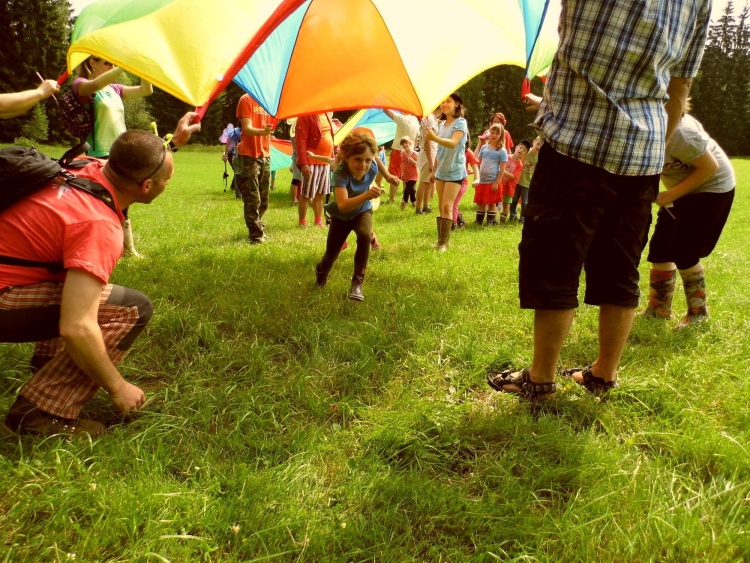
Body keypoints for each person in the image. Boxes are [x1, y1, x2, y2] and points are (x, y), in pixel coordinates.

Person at [487, 0, 712, 399]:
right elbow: (679, 90)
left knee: (555, 264)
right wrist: (652, 150)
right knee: (620, 271)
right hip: (641, 158)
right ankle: (603, 376)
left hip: (573, 145)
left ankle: (541, 379)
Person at [0, 112, 201, 437]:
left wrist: (172, 143)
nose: (168, 184)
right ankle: (41, 412)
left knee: (72, 281)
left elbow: (134, 157)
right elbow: (76, 326)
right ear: (147, 186)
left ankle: (49, 369)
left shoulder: (86, 166)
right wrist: (117, 387)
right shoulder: (99, 226)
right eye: (167, 180)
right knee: (131, 308)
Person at [640, 108, 735, 329]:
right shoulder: (642, 127)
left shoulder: (681, 133)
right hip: (680, 190)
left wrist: (670, 195)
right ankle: (658, 308)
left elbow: (710, 166)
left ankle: (698, 314)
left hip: (712, 187)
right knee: (661, 248)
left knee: (684, 251)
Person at [74, 56, 154, 257]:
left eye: (113, 63)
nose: (112, 66)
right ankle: (99, 245)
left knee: (123, 198)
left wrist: (144, 67)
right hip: (98, 153)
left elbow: (146, 90)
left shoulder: (115, 89)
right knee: (102, 201)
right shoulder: (82, 85)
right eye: (107, 62)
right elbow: (94, 84)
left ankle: (127, 248)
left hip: (120, 151)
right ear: (92, 62)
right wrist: (121, 67)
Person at [312, 131, 398, 301]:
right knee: (331, 254)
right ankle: (321, 273)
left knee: (365, 235)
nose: (363, 165)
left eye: (367, 160)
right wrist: (366, 195)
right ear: (346, 157)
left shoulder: (372, 164)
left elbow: (376, 158)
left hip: (362, 211)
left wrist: (387, 176)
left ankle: (357, 283)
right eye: (357, 159)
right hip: (341, 216)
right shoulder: (340, 173)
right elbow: (343, 205)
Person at [424, 92, 468, 252]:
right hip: (441, 171)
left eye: (448, 101)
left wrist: (434, 138)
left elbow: (453, 143)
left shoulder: (461, 122)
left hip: (455, 170)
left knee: (448, 205)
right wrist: (433, 171)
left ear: (457, 104)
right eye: (442, 102)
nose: (444, 104)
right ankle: (440, 241)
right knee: (441, 206)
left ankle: (444, 244)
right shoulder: (441, 125)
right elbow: (440, 151)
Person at [235, 93, 274, 244]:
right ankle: (256, 236)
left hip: (265, 155)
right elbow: (247, 128)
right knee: (253, 199)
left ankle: (259, 228)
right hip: (248, 156)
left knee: (264, 199)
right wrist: (261, 132)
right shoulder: (246, 99)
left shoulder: (268, 100)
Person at [295, 112, 335, 227]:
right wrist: (303, 164)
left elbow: (331, 137)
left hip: (325, 162)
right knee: (306, 194)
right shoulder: (305, 115)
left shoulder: (326, 114)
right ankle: (302, 222)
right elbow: (300, 141)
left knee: (320, 194)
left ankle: (318, 221)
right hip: (311, 161)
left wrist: (333, 157)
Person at [473, 124, 508, 226]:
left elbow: (502, 169)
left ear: (501, 135)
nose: (494, 135)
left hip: (492, 181)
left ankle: (491, 222)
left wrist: (496, 183)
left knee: (492, 202)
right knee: (481, 202)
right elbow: (478, 162)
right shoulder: (484, 147)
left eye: (497, 133)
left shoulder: (502, 151)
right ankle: (478, 221)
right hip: (482, 180)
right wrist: (476, 177)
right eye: (492, 133)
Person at [383, 109, 420, 203]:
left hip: (398, 150)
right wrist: (413, 150)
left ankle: (391, 199)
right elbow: (416, 138)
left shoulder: (401, 118)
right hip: (411, 151)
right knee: (409, 174)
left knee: (394, 174)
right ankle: (406, 198)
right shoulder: (415, 120)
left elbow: (386, 111)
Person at [509, 136, 542, 222]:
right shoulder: (526, 151)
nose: (539, 147)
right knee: (514, 199)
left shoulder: (540, 157)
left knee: (525, 201)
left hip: (528, 182)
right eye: (538, 144)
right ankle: (513, 215)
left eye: (541, 146)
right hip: (518, 180)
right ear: (534, 142)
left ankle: (523, 217)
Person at [415, 108, 439, 215]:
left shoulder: (430, 118)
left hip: (429, 152)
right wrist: (431, 162)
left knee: (429, 182)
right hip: (428, 153)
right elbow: (427, 142)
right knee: (424, 182)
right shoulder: (431, 119)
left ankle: (426, 205)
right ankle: (418, 208)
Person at [499, 140, 530, 223]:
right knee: (495, 201)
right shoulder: (506, 157)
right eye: (521, 148)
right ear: (516, 147)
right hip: (499, 184)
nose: (521, 150)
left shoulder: (519, 165)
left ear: (525, 154)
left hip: (509, 188)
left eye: (524, 150)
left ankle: (502, 221)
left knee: (506, 204)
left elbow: (513, 176)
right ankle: (492, 219)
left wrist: (502, 171)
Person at [454, 133, 479, 229]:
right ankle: (460, 220)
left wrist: (476, 179)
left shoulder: (468, 152)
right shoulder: (452, 150)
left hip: (462, 182)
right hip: (451, 181)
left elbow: (475, 166)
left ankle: (452, 225)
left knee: (453, 204)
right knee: (449, 204)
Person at [222, 125, 242, 199]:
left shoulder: (241, 132)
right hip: (232, 154)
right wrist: (225, 155)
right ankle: (237, 193)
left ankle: (233, 188)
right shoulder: (235, 133)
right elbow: (228, 145)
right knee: (237, 172)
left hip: (238, 154)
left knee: (237, 172)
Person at [398, 136, 418, 210]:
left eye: (406, 143)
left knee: (407, 190)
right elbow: (402, 164)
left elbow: (419, 164)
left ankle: (404, 201)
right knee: (411, 190)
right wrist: (402, 173)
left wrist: (413, 162)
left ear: (409, 143)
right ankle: (414, 202)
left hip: (413, 175)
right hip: (406, 175)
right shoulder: (402, 153)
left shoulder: (414, 153)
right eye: (403, 144)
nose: (404, 145)